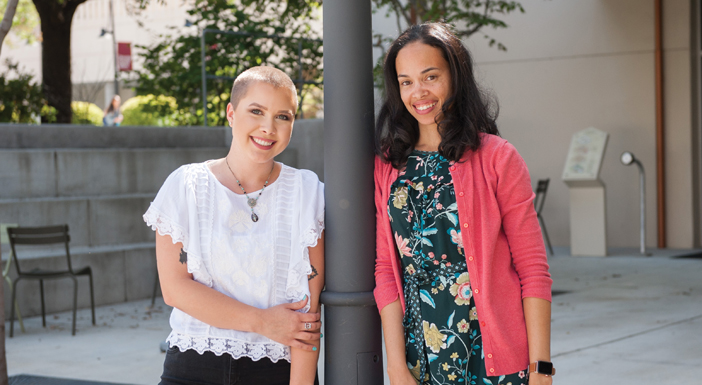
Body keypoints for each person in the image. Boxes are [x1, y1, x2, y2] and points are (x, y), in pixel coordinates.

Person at [374, 23, 554, 385]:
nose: (418, 92)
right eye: (406, 81)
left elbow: (532, 268)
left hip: (496, 362)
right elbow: (385, 270)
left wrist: (541, 368)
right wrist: (395, 364)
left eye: (430, 76)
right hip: (420, 358)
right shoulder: (387, 165)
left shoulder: (496, 158)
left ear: (455, 76)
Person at [143, 66, 324, 385]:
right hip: (192, 366)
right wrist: (263, 322)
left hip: (276, 372)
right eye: (256, 111)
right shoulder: (187, 185)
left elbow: (307, 315)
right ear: (231, 113)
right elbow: (175, 289)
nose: (268, 127)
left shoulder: (306, 191)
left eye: (284, 116)